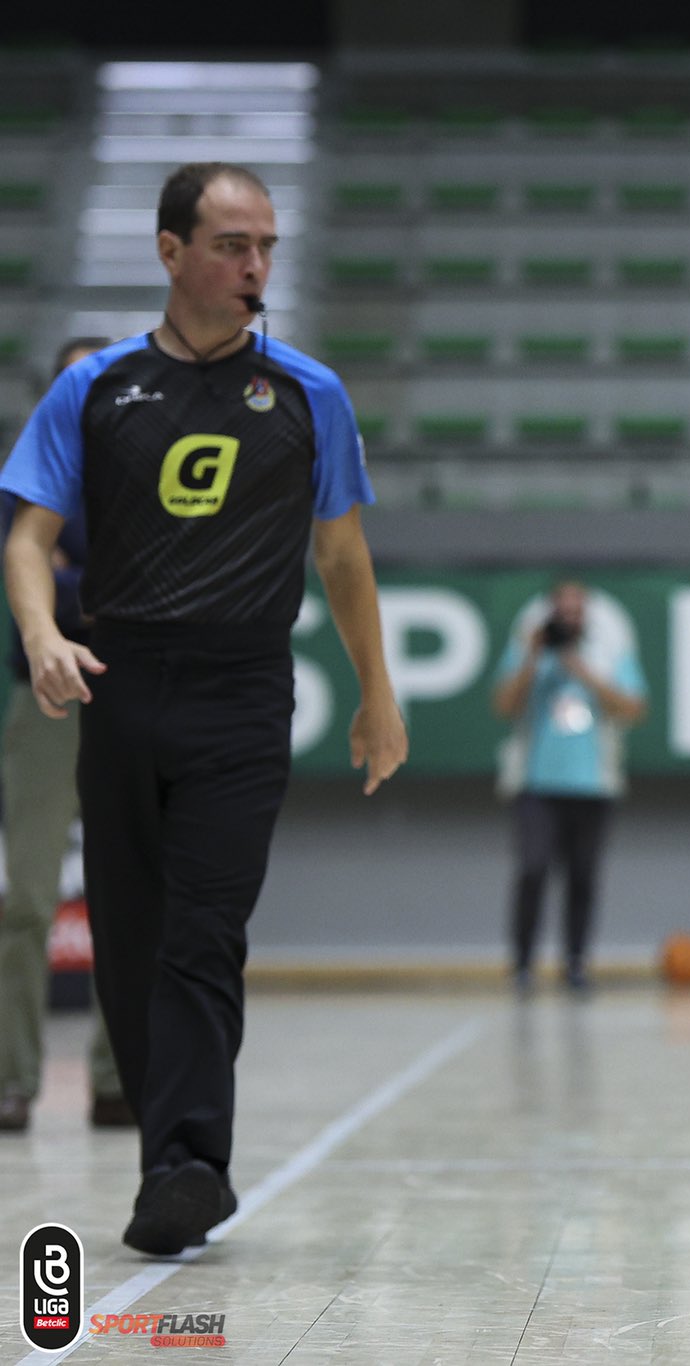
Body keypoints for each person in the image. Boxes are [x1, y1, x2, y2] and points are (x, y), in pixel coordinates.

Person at [0, 161, 409, 1255]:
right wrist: (43, 636)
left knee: (201, 933)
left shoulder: (310, 394)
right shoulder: (94, 391)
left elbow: (344, 557)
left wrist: (378, 693)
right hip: (118, 687)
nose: (256, 266)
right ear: (171, 252)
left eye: (267, 245)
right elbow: (28, 537)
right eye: (232, 245)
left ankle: (188, 1165)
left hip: (241, 693)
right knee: (132, 945)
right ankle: (166, 1154)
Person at [0, 337, 130, 1134]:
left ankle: (117, 1082)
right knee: (27, 899)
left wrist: (69, 576)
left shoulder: (148, 478)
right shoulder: (26, 477)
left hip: (130, 699)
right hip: (45, 701)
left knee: (130, 899)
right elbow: (27, 585)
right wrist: (83, 582)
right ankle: (13, 1077)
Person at [491, 578, 647, 994]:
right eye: (563, 610)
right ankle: (523, 963)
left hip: (593, 781)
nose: (570, 618)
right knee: (533, 868)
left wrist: (583, 671)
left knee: (583, 875)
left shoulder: (607, 651)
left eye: (577, 611)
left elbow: (633, 707)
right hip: (538, 781)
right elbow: (504, 705)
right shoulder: (532, 650)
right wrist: (534, 657)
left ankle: (576, 962)